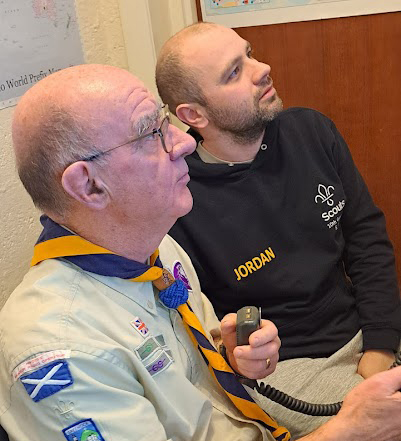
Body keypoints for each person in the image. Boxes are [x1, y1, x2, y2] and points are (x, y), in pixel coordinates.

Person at [0, 64, 400, 441]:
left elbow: (192, 373)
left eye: (165, 123)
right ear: (88, 185)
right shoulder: (60, 349)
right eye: (151, 134)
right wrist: (348, 432)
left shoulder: (157, 248)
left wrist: (232, 359)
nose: (185, 141)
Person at [156, 23, 401, 437]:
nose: (263, 68)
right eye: (234, 72)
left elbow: (367, 240)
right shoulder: (179, 199)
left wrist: (379, 346)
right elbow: (200, 326)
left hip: (364, 328)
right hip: (285, 368)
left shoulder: (311, 131)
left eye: (249, 54)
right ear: (194, 115)